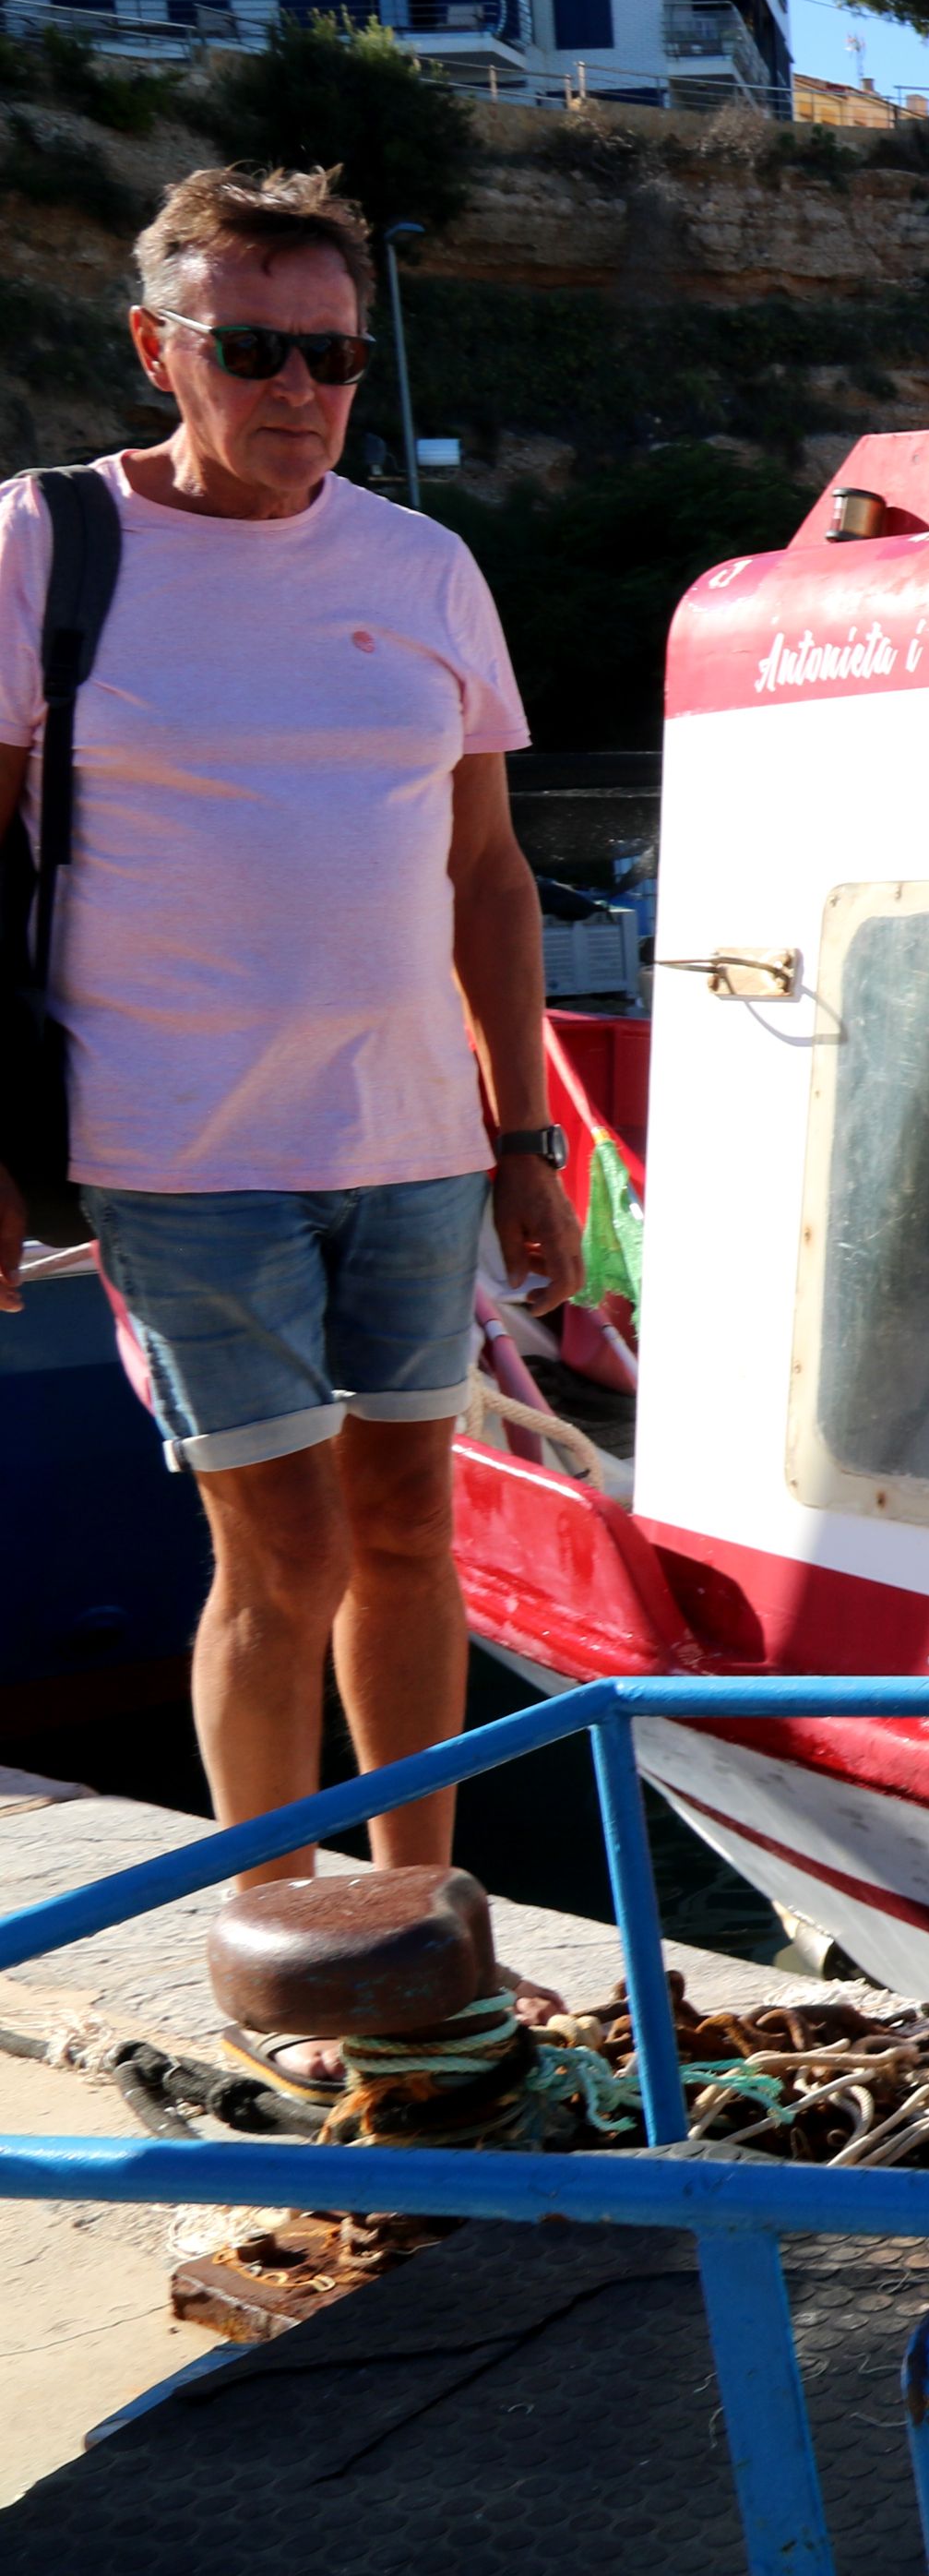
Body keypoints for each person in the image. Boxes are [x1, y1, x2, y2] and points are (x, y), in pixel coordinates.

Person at [0, 168, 579, 2091]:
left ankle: (419, 1928)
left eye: (331, 352)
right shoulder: (47, 543)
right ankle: (279, 1927)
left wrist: (523, 1141)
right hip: (176, 1141)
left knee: (413, 1533)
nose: (301, 387)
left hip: (411, 1132)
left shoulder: (421, 567)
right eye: (254, 349)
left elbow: (490, 873)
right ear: (159, 345)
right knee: (280, 1553)